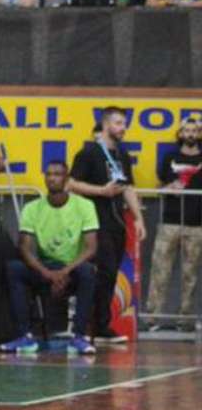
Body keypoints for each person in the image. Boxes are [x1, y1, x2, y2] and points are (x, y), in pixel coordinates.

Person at [0, 161, 98, 355]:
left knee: (88, 272)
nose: (52, 178)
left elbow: (91, 248)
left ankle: (78, 336)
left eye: (58, 174)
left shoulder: (85, 206)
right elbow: (25, 248)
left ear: (66, 179)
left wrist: (65, 271)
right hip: (46, 268)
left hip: (72, 267)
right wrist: (48, 274)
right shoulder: (32, 208)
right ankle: (25, 337)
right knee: (14, 269)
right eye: (49, 174)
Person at [67, 106, 147, 344]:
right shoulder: (88, 152)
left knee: (111, 273)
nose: (123, 128)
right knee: (102, 271)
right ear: (106, 125)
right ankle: (91, 324)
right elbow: (71, 183)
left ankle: (101, 325)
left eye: (124, 123)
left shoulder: (122, 154)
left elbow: (128, 187)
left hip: (116, 221)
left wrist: (139, 218)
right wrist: (101, 191)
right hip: (94, 220)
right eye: (119, 123)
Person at [144, 118, 202, 329]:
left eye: (194, 130)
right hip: (169, 221)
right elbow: (163, 180)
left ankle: (185, 319)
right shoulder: (170, 156)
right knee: (160, 270)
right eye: (186, 130)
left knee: (190, 274)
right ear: (180, 133)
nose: (190, 134)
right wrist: (170, 186)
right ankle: (152, 318)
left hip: (197, 224)